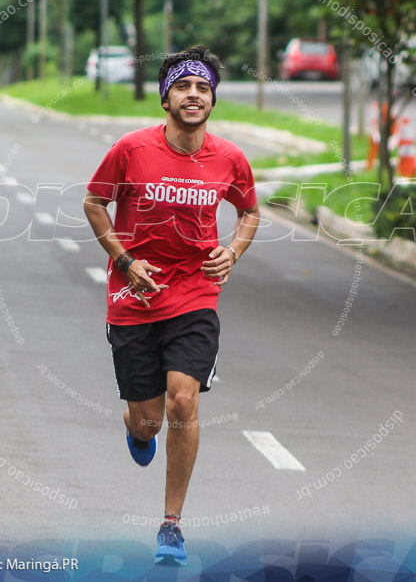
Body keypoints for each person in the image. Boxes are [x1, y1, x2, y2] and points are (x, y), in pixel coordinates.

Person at [83, 45, 260, 566]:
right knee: (149, 422)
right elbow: (94, 201)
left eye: (203, 88)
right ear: (166, 98)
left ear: (212, 100)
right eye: (183, 86)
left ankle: (171, 525)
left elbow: (249, 210)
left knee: (184, 400)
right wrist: (124, 259)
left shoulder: (229, 158)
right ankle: (136, 429)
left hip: (195, 291)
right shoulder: (131, 149)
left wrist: (231, 251)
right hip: (134, 294)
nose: (193, 95)